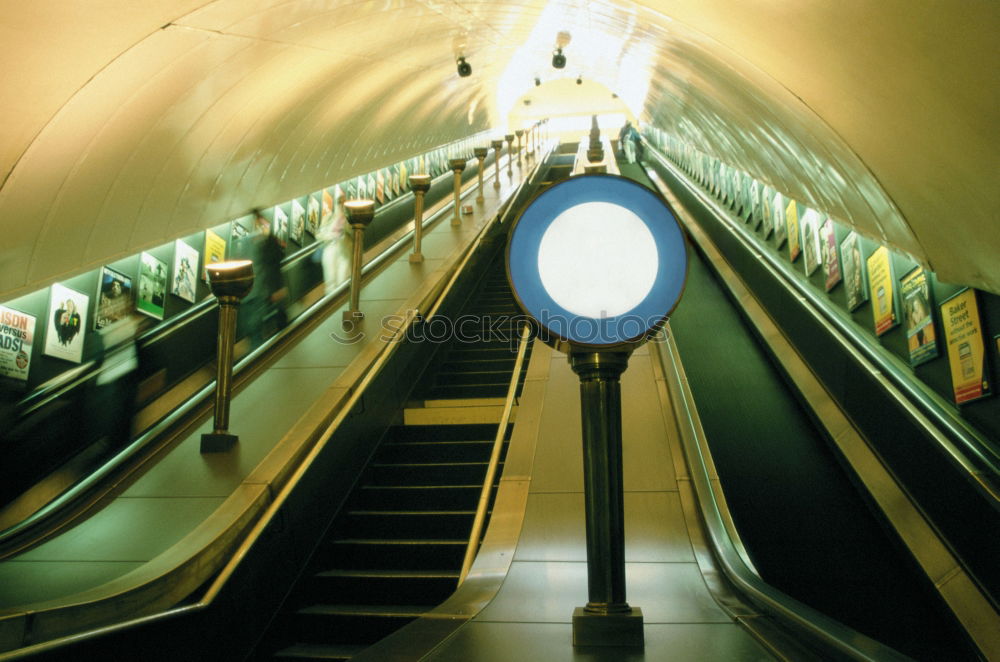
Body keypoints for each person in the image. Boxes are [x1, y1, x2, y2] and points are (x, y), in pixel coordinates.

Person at [244, 214, 288, 345]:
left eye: (261, 225)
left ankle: (258, 357)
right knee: (253, 327)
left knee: (255, 327)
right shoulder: (252, 243)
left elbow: (275, 268)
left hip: (263, 291)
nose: (259, 228)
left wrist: (277, 289)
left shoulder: (270, 244)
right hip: (252, 292)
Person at [317, 186, 353, 296]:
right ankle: (332, 304)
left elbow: (353, 233)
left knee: (343, 278)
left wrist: (344, 229)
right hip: (330, 251)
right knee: (331, 279)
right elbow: (319, 234)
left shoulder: (349, 217)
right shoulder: (328, 217)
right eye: (339, 201)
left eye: (342, 201)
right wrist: (330, 235)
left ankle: (343, 303)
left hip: (344, 252)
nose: (341, 204)